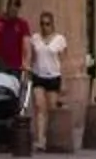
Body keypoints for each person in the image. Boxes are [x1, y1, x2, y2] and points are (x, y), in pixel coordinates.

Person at [27, 10, 70, 147]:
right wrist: (28, 69)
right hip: (38, 75)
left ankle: (52, 137)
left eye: (47, 24)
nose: (44, 27)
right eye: (42, 24)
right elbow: (32, 57)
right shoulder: (35, 38)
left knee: (52, 109)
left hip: (53, 76)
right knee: (40, 107)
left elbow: (63, 61)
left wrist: (63, 81)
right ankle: (40, 139)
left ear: (52, 24)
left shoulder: (60, 40)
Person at [0, 0, 32, 86]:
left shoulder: (22, 24)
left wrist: (26, 63)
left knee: (13, 90)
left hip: (15, 66)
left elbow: (26, 45)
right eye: (11, 7)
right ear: (7, 7)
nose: (13, 10)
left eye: (15, 8)